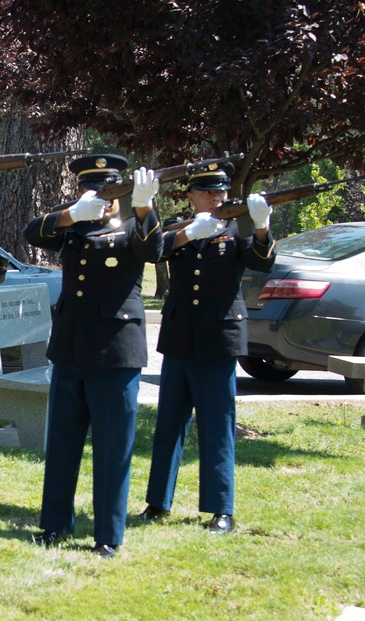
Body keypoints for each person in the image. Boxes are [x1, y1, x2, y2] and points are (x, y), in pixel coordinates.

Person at [24, 154, 163, 557]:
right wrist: (70, 214)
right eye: (93, 191)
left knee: (112, 447)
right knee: (63, 443)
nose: (101, 200)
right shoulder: (73, 225)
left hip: (115, 352)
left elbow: (154, 249)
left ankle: (108, 533)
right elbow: (33, 233)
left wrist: (145, 205)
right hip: (70, 347)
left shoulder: (135, 227)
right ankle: (54, 524)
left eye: (107, 191)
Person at [140, 164, 275, 533]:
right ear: (192, 196)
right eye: (208, 192)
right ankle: (157, 501)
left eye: (221, 192)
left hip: (218, 338)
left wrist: (262, 225)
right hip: (180, 336)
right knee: (169, 423)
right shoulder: (179, 226)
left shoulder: (238, 226)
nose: (216, 199)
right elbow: (153, 250)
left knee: (217, 425)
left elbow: (262, 262)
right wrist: (187, 235)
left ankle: (221, 509)